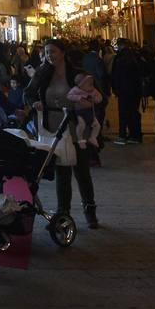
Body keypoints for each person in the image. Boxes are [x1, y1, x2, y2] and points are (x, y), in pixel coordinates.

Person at [23, 38, 100, 229]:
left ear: (63, 53)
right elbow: (28, 93)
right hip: (53, 127)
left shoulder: (76, 74)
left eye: (53, 52)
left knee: (81, 170)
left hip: (75, 127)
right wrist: (35, 103)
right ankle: (62, 213)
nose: (50, 56)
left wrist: (82, 103)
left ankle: (89, 210)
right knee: (61, 171)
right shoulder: (42, 73)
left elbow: (94, 95)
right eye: (47, 52)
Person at [110, 39, 144, 145]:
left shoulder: (119, 58)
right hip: (135, 90)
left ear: (120, 46)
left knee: (123, 113)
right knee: (134, 112)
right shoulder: (136, 56)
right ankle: (135, 135)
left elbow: (115, 75)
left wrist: (115, 88)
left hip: (123, 90)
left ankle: (122, 135)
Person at [68, 73, 103, 149]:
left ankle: (93, 137)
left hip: (91, 111)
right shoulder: (76, 90)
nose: (92, 86)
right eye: (89, 84)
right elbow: (69, 96)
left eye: (92, 84)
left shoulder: (93, 90)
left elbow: (100, 98)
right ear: (81, 85)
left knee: (97, 125)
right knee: (81, 125)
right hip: (80, 112)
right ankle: (80, 140)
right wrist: (79, 98)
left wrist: (95, 99)